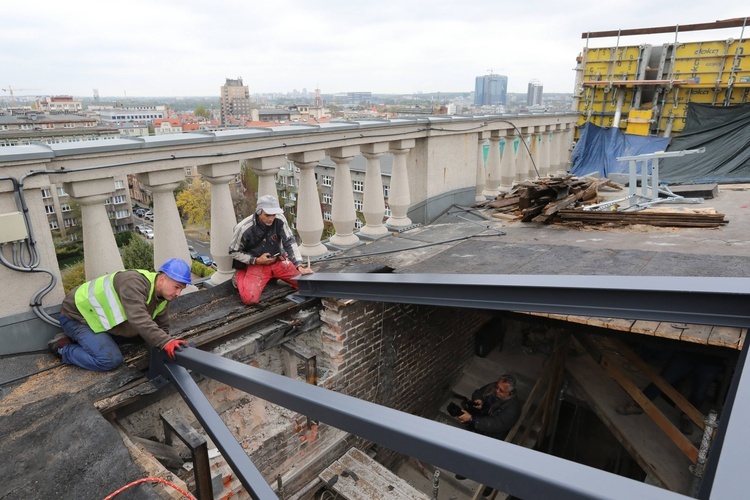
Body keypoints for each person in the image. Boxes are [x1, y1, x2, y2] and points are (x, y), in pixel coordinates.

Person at [47, 258, 192, 371]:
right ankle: (63, 349)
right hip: (78, 317)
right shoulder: (133, 282)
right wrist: (165, 342)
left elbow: (162, 327)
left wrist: (164, 348)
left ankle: (88, 341)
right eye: (176, 287)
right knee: (110, 360)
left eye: (181, 289)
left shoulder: (161, 298)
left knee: (142, 338)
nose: (178, 294)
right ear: (162, 279)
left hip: (100, 321)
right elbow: (139, 318)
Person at [228, 194, 313, 304]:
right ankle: (240, 275)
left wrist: (299, 266)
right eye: (267, 215)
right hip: (257, 264)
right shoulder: (244, 228)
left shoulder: (280, 219)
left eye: (273, 215)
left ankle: (273, 276)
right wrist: (256, 260)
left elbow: (289, 241)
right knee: (250, 299)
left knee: (307, 286)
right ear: (259, 212)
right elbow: (233, 252)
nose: (271, 218)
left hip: (277, 261)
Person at [615, 350, 724, 435]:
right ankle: (640, 403)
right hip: (690, 351)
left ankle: (687, 417)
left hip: (713, 359)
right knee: (664, 379)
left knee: (700, 392)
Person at [454, 374, 522, 496]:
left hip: (495, 436)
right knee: (470, 450)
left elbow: (495, 424)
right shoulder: (493, 387)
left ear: (510, 393)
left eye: (502, 390)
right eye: (497, 386)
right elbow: (478, 392)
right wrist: (478, 400)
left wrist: (472, 419)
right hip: (480, 426)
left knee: (490, 462)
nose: (497, 390)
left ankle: (489, 485)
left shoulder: (513, 408)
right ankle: (467, 471)